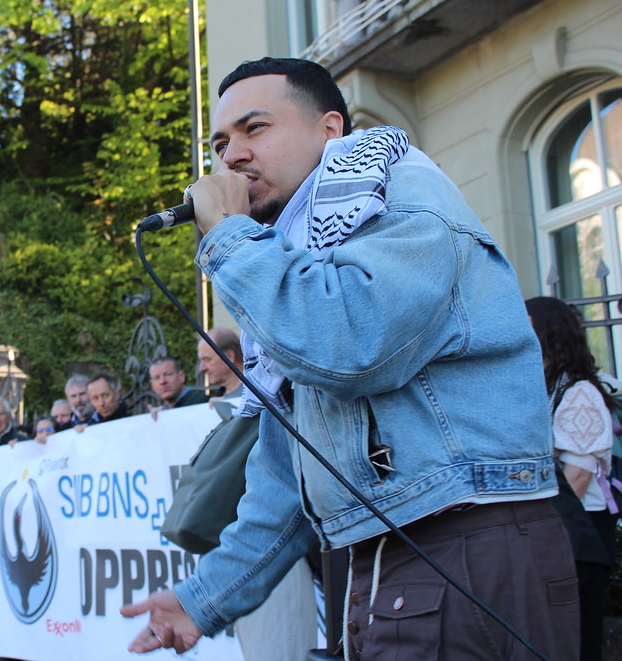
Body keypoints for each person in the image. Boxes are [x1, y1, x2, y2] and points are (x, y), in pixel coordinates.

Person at [122, 57, 577, 659]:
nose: (230, 156)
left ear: (330, 131)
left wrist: (230, 236)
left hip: (466, 544)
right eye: (220, 142)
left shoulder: (399, 195)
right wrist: (204, 597)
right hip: (389, 562)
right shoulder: (299, 257)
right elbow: (291, 468)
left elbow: (347, 344)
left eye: (255, 129)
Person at [526, 296, 615, 661]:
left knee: (575, 645)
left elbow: (575, 481)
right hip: (553, 535)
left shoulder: (580, 393)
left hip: (578, 537)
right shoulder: (544, 390)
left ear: (549, 333)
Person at [197, 327, 243, 399]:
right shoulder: (216, 399)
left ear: (229, 356)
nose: (201, 368)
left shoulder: (259, 395)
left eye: (208, 359)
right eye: (201, 361)